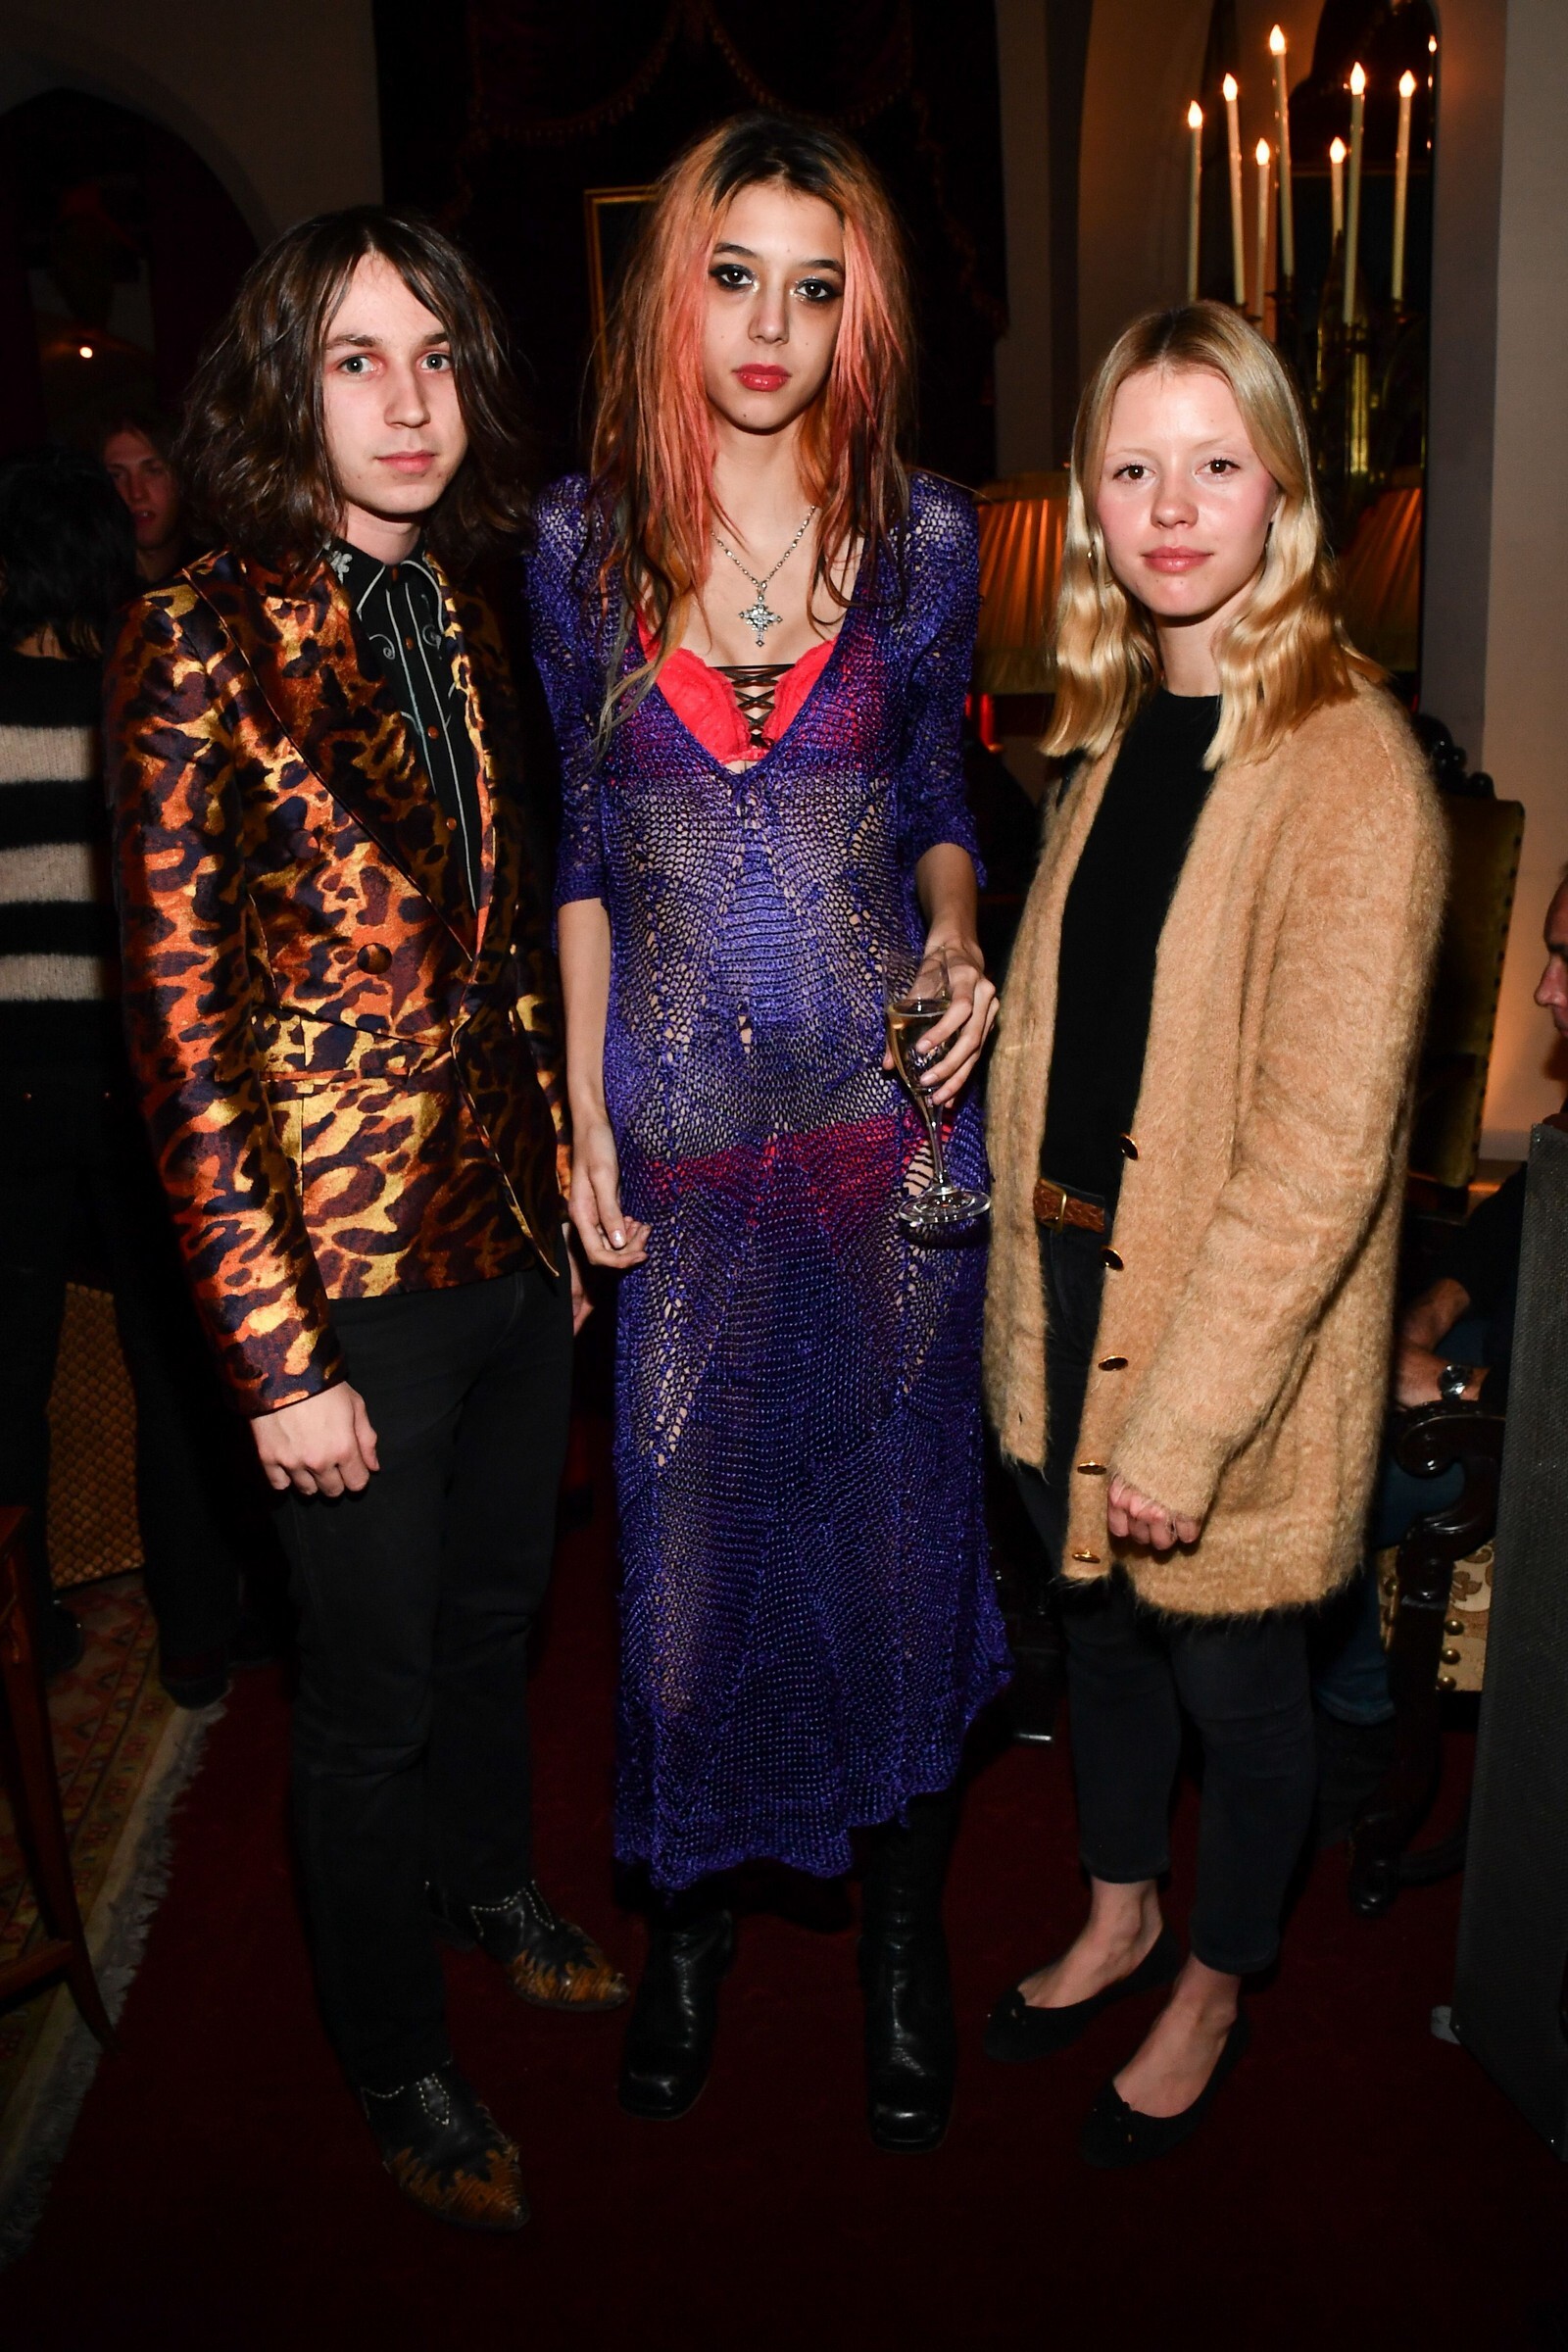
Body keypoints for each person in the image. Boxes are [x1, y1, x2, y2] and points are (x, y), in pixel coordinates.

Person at [108, 208, 625, 2235]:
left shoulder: (472, 617)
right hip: (335, 1284)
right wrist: (274, 1360)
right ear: (283, 387)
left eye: (435, 358)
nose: (408, 403)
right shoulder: (196, 636)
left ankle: (489, 1883)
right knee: (369, 1699)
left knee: (498, 1626)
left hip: (501, 1244)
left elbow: (499, 961)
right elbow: (180, 1039)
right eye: (355, 361)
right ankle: (397, 2055)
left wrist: (555, 1202)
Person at [530, 114, 1010, 2153]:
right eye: (735, 274)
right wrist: (580, 1115)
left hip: (890, 1148)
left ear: (855, 319)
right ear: (675, 289)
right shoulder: (578, 544)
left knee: (899, 1563)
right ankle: (696, 1932)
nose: (769, 324)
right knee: (684, 1590)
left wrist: (960, 933)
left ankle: (901, 1947)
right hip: (687, 1158)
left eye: (815, 288)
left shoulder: (922, 543)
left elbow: (939, 808)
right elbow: (579, 852)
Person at [982, 303, 1445, 2165]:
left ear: (1283, 494)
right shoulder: (1107, 734)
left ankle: (1220, 1978)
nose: (1174, 509)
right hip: (1066, 1276)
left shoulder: (1352, 768)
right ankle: (1120, 1911)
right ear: (1093, 501)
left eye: (1217, 465)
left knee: (1238, 1688)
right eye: (1134, 468)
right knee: (1097, 1639)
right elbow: (1092, 1033)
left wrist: (1181, 1426)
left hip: (1223, 1335)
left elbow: (1322, 1158)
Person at [0, 447, 266, 1698]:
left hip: (7, 1087)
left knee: (10, 1372)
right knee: (173, 1366)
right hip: (130, 1081)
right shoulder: (139, 694)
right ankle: (199, 1633)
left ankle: (24, 1628)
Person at [1311, 870, 1568, 1789]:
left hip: (1534, 1425)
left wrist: (1450, 1385)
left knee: (1327, 1488)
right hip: (1511, 1355)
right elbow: (1522, 1213)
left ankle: (1356, 1723)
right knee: (1314, 1401)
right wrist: (1436, 1307)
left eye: (1566, 961)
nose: (1543, 989)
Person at [100, 410, 191, 583]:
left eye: (153, 471)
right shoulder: (90, 588)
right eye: (117, 476)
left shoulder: (221, 572)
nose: (136, 493)